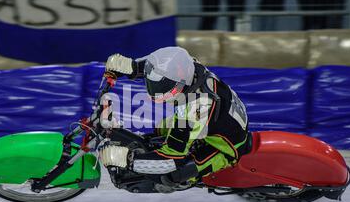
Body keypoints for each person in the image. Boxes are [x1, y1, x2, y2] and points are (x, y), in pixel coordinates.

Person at [99, 47, 250, 185]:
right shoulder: (188, 66)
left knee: (174, 174)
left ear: (179, 85)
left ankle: (186, 176)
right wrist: (129, 66)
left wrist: (127, 159)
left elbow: (171, 160)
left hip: (225, 147)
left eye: (164, 91)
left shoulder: (194, 110)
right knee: (160, 128)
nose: (157, 94)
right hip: (217, 120)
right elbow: (156, 66)